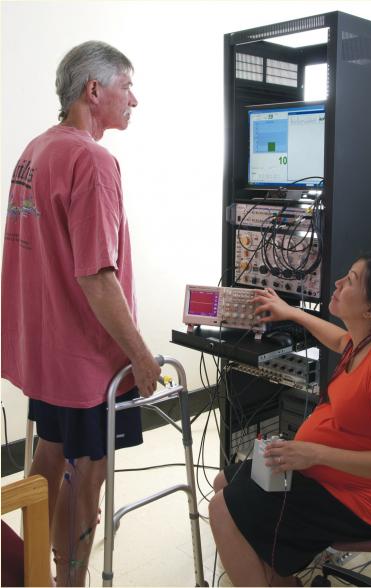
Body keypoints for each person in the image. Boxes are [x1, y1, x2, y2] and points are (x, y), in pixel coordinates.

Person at [1, 41, 161, 586]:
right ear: (94, 91)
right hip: (87, 363)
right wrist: (140, 355)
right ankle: (69, 580)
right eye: (127, 85)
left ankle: (33, 575)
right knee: (87, 478)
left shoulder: (36, 150)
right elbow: (96, 274)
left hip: (44, 352)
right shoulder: (92, 160)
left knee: (47, 459)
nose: (134, 98)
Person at [209, 254, 371, 587]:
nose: (338, 283)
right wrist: (292, 312)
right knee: (223, 484)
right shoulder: (364, 340)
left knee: (222, 508)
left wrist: (314, 454)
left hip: (367, 497)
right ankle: (281, 579)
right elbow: (338, 339)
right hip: (323, 467)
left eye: (351, 280)